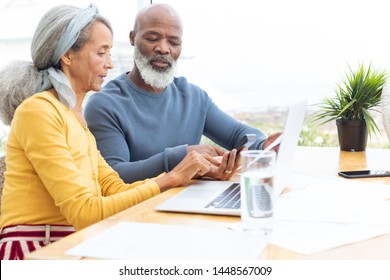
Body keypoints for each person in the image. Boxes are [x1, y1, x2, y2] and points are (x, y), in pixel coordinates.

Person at [0, 4, 213, 260]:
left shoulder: (74, 119)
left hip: (72, 242)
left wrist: (179, 178)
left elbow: (114, 188)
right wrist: (168, 179)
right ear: (68, 55)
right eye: (102, 53)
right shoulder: (38, 112)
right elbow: (85, 213)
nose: (110, 64)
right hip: (34, 249)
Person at [84, 3, 282, 184]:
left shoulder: (193, 98)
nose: (163, 48)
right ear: (132, 38)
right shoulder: (104, 104)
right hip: (137, 213)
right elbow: (115, 175)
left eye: (174, 42)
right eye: (152, 38)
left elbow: (240, 135)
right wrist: (182, 157)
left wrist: (264, 145)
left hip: (185, 206)